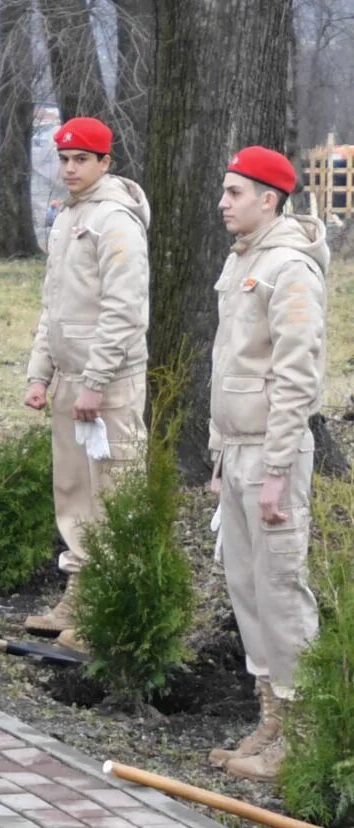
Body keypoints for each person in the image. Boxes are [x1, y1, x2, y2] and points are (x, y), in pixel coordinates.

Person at [206, 147, 327, 783]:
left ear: (269, 199)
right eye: (225, 191)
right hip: (239, 448)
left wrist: (278, 468)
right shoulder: (242, 262)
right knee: (247, 590)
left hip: (274, 454)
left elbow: (295, 376)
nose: (224, 202)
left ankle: (300, 735)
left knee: (281, 590)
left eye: (235, 192)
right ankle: (271, 718)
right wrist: (221, 453)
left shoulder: (290, 269)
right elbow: (228, 362)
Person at [22, 117, 151, 646]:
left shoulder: (115, 220)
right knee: (73, 489)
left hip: (109, 382)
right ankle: (79, 589)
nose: (70, 169)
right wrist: (40, 373)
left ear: (105, 162)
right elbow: (54, 304)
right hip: (71, 377)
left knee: (112, 491)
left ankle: (108, 605)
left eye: (82, 160)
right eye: (65, 159)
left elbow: (124, 309)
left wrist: (97, 381)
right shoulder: (68, 217)